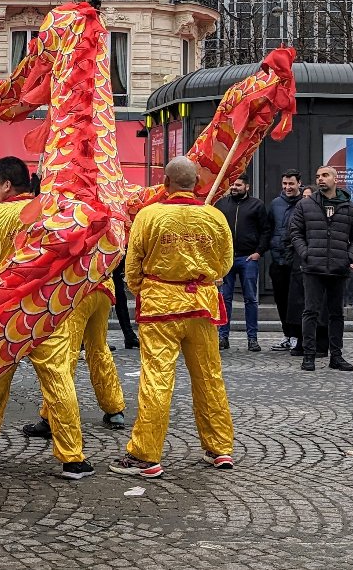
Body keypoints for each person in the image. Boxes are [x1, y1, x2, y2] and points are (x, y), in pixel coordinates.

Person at [0, 156, 108, 473]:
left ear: (5, 184)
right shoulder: (53, 215)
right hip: (49, 308)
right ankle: (73, 457)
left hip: (6, 311)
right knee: (59, 382)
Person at [111, 157, 235, 478]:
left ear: (165, 182)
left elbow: (132, 266)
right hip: (202, 306)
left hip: (160, 308)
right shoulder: (215, 217)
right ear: (196, 183)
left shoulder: (149, 216)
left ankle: (145, 455)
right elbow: (224, 264)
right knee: (209, 376)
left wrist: (144, 289)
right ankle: (220, 447)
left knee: (157, 378)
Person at [288, 166, 353, 373]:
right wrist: (306, 253)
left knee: (336, 313)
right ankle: (309, 356)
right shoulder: (306, 205)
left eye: (325, 175)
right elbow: (295, 232)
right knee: (310, 311)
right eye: (318, 176)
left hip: (338, 268)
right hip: (313, 267)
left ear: (335, 178)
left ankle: (336, 356)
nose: (320, 179)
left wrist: (347, 257)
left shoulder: (349, 208)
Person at [213, 176, 272, 352]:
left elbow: (266, 231)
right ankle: (223, 337)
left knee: (251, 299)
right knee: (225, 299)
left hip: (248, 258)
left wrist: (258, 252)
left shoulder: (257, 205)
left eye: (238, 185)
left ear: (247, 186)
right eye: (232, 184)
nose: (234, 187)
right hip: (227, 259)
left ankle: (252, 339)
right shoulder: (221, 205)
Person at [268, 170, 304, 350]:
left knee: (296, 302)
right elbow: (269, 229)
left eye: (291, 184)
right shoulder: (275, 204)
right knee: (281, 301)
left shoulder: (305, 203)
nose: (287, 187)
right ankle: (287, 335)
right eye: (285, 184)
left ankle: (298, 336)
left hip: (296, 262)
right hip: (278, 261)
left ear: (299, 183)